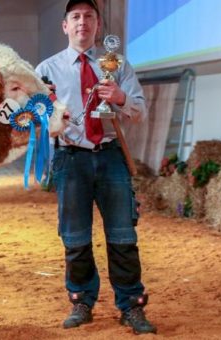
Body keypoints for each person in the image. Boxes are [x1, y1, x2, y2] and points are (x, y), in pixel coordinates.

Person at [35, 0, 156, 334]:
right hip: (70, 159)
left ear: (98, 25)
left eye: (89, 17)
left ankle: (131, 305)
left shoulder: (115, 65)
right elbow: (30, 118)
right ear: (65, 26)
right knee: (74, 237)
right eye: (75, 17)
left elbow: (139, 112)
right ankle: (81, 300)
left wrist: (119, 97)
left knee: (122, 234)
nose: (82, 23)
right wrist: (49, 116)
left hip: (109, 155)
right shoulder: (46, 70)